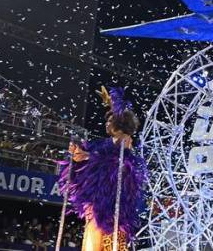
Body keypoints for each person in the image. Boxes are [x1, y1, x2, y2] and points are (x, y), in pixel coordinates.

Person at [59, 87, 147, 251]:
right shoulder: (105, 143)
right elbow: (93, 160)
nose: (106, 123)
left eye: (110, 120)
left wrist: (87, 156)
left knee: (106, 239)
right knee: (91, 240)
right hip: (97, 199)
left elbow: (117, 162)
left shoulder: (124, 139)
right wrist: (78, 157)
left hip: (112, 202)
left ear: (120, 123)